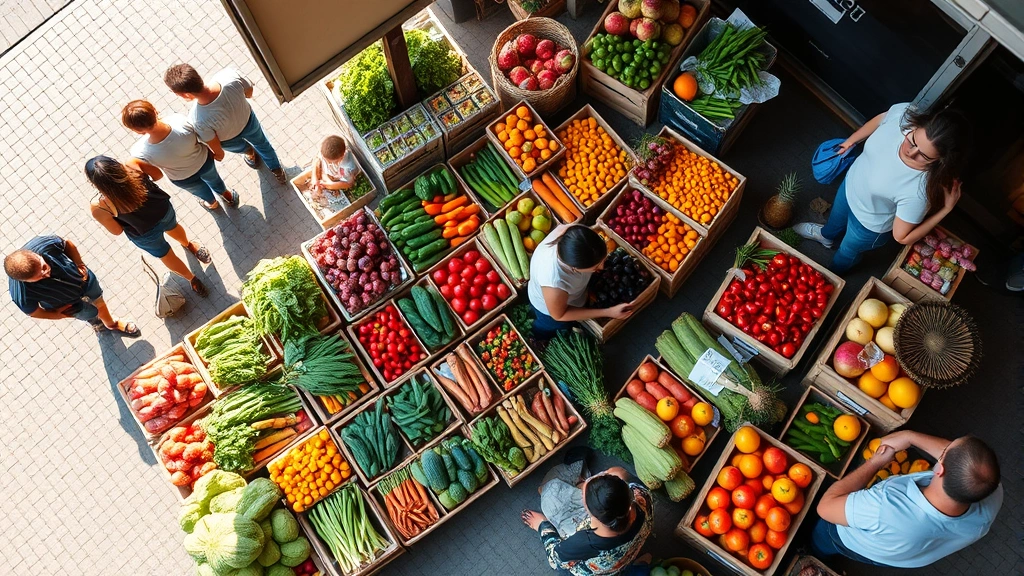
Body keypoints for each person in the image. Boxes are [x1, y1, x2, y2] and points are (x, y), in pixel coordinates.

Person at [794, 103, 972, 274]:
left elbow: (901, 237)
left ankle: (833, 272)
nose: (911, 152)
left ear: (940, 161)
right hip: (850, 186)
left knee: (847, 251)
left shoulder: (920, 191)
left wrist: (946, 209)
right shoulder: (904, 114)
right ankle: (825, 236)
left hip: (869, 223)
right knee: (834, 219)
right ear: (916, 124)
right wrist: (851, 141)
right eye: (912, 141)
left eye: (923, 156)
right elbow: (882, 118)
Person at [813, 431, 1002, 568]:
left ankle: (817, 554)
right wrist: (909, 437)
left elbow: (826, 507)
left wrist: (875, 462)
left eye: (945, 450)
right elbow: (961, 462)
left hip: (852, 540)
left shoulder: (886, 505)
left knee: (824, 537)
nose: (942, 446)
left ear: (940, 469)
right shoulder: (991, 490)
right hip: (899, 556)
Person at [85, 155, 209, 297]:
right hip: (162, 211)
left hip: (143, 232)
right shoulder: (133, 165)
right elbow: (158, 175)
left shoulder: (99, 206)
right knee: (173, 227)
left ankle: (192, 279)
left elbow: (117, 230)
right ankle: (189, 245)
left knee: (166, 255)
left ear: (95, 183)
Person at [522, 454, 654, 576]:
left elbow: (556, 561)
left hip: (603, 570)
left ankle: (632, 569)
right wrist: (613, 480)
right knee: (635, 566)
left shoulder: (581, 542)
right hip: (632, 548)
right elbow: (622, 474)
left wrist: (542, 525)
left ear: (587, 510)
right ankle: (638, 566)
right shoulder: (643, 497)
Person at [163, 63, 287, 184]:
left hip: (228, 139)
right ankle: (277, 170)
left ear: (186, 95)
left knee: (241, 147)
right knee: (263, 144)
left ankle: (250, 153)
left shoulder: (197, 119)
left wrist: (218, 155)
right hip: (248, 121)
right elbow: (249, 92)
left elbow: (214, 142)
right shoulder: (229, 76)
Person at [5, 235, 140, 337]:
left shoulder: (45, 244)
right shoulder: (21, 294)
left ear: (36, 255)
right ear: (25, 281)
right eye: (39, 278)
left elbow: (68, 244)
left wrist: (79, 264)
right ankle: (96, 322)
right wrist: (56, 315)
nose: (46, 274)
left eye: (44, 267)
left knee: (99, 301)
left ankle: (112, 324)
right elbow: (33, 312)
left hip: (83, 280)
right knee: (89, 313)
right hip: (67, 304)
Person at [122, 99, 240, 211]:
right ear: (154, 110)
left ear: (136, 130)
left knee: (199, 190)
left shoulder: (140, 151)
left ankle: (212, 203)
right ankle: (227, 196)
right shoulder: (178, 120)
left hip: (183, 178)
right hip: (204, 161)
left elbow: (157, 176)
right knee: (214, 179)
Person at [527, 225, 633, 340]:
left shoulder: (576, 234)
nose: (602, 267)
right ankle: (536, 336)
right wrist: (608, 312)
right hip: (550, 311)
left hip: (570, 295)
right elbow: (559, 315)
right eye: (596, 267)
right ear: (574, 268)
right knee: (551, 327)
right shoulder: (554, 281)